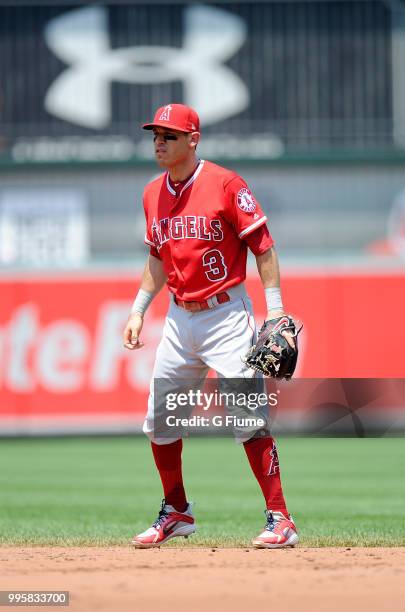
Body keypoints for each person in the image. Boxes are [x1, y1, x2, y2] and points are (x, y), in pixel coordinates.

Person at [123, 103, 299, 549]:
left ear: (192, 140)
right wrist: (140, 308)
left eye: (169, 136)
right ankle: (177, 511)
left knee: (246, 418)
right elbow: (157, 258)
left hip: (226, 315)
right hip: (180, 319)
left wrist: (275, 310)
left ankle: (280, 518)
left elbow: (263, 246)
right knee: (160, 420)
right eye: (155, 136)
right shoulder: (151, 193)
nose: (159, 143)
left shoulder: (225, 183)